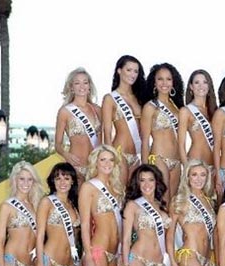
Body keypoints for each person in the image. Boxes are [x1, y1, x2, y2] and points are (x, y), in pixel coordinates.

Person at [167, 159, 217, 266]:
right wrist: (173, 262)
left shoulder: (209, 201)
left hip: (206, 258)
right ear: (187, 177)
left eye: (203, 175)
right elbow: (169, 236)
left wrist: (212, 263)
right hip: (189, 255)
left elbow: (210, 236)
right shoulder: (179, 201)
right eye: (194, 175)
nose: (198, 179)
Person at [0, 161, 43, 266]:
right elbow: (0, 240)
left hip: (30, 264)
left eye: (29, 179)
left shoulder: (37, 205)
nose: (25, 183)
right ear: (15, 180)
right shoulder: (7, 206)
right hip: (12, 261)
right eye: (22, 179)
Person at [36, 162, 80, 266]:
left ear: (72, 181)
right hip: (49, 261)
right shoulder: (47, 202)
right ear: (53, 181)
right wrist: (40, 264)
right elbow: (39, 235)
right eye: (58, 178)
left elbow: (74, 238)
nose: (62, 182)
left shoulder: (74, 204)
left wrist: (76, 263)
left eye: (66, 178)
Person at [122, 164, 170, 266]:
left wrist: (165, 265)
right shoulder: (132, 205)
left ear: (156, 182)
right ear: (137, 183)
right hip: (138, 259)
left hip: (158, 263)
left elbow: (165, 239)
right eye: (142, 180)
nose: (146, 184)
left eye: (151, 180)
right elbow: (126, 239)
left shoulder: (162, 205)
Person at [79, 145, 124, 266]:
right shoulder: (88, 187)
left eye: (111, 160)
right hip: (98, 249)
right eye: (103, 159)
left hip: (114, 251)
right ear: (96, 163)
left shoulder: (117, 187)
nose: (107, 163)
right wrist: (88, 255)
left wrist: (121, 252)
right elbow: (85, 224)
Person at [141, 62, 184, 201]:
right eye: (160, 79)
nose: (164, 83)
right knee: (162, 200)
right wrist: (144, 168)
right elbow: (145, 141)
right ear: (154, 82)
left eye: (168, 79)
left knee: (173, 202)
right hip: (159, 158)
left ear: (173, 82)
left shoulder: (176, 106)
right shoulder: (150, 107)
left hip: (176, 161)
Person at [102, 55, 146, 186]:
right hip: (119, 153)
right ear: (119, 70)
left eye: (136, 71)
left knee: (135, 194)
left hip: (137, 155)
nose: (133, 74)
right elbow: (107, 132)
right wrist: (110, 158)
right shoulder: (110, 98)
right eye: (129, 70)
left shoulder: (140, 97)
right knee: (119, 193)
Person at [55, 67, 102, 182]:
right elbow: (57, 144)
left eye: (85, 82)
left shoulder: (97, 110)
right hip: (76, 167)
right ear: (71, 87)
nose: (82, 86)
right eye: (77, 83)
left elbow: (103, 138)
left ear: (89, 86)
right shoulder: (65, 111)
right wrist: (66, 154)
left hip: (96, 167)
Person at [178, 69, 217, 167]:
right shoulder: (186, 111)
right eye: (197, 82)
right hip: (195, 163)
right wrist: (187, 168)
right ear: (191, 86)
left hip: (214, 165)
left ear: (209, 86)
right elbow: (181, 144)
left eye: (205, 82)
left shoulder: (215, 110)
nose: (201, 86)